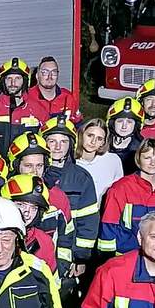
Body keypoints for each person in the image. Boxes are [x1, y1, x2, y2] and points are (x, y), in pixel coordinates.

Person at [98, 139, 155, 256]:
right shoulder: (121, 187)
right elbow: (109, 223)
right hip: (128, 255)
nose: (153, 163)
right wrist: (107, 258)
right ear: (139, 159)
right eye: (147, 158)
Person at [40, 117, 99, 276]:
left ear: (71, 145)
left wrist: (80, 258)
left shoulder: (81, 178)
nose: (58, 147)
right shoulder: (33, 172)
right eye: (52, 141)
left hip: (67, 256)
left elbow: (88, 221)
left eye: (64, 142)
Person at [2, 174, 65, 275]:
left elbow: (52, 282)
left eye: (34, 208)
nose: (27, 212)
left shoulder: (44, 242)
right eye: (20, 204)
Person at [0, 57, 39, 154]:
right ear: (2, 81)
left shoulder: (38, 109)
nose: (13, 83)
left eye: (17, 78)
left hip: (27, 167)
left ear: (25, 81)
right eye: (9, 78)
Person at [20, 56, 82, 127]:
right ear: (37, 76)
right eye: (45, 72)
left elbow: (78, 125)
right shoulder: (26, 97)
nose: (50, 76)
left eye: (54, 72)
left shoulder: (67, 97)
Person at [75, 118, 123, 200]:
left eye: (99, 139)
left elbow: (119, 192)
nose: (93, 142)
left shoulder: (113, 161)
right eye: (90, 136)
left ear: (103, 142)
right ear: (81, 134)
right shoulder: (71, 161)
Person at [107, 95, 145, 172]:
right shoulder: (101, 142)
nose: (124, 126)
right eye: (120, 121)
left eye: (129, 122)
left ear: (136, 125)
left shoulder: (142, 148)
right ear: (112, 123)